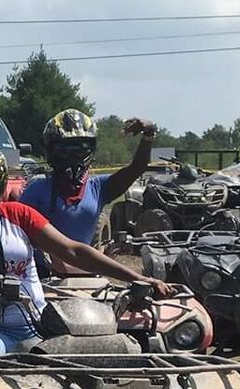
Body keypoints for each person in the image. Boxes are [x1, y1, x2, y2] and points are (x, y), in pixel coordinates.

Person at [0, 135, 174, 359]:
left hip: (39, 324)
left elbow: (73, 250)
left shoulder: (17, 215)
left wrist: (138, 278)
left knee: (99, 365)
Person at [18, 110, 159, 269]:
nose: (72, 158)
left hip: (85, 274)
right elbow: (16, 233)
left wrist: (148, 136)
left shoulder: (98, 188)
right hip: (42, 275)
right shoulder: (37, 189)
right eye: (64, 151)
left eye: (79, 151)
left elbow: (136, 168)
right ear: (51, 151)